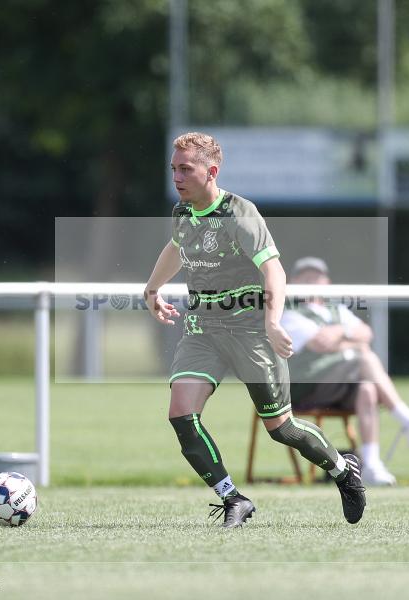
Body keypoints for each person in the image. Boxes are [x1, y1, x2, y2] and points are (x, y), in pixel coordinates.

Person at [144, 132, 366, 528]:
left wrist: (273, 321)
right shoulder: (183, 213)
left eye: (186, 169)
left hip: (249, 331)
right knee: (181, 412)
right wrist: (152, 288)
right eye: (173, 168)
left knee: (281, 428)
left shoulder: (239, 213)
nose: (176, 177)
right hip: (202, 330)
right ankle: (233, 499)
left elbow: (273, 269)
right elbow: (176, 248)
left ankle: (342, 469)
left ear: (211, 171)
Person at [281, 256, 409, 486]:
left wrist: (340, 335)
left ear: (326, 282)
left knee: (368, 389)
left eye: (317, 277)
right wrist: (349, 337)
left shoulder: (335, 309)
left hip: (338, 385)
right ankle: (407, 419)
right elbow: (321, 343)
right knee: (366, 357)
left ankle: (372, 465)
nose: (312, 281)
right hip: (306, 388)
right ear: (294, 282)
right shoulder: (288, 311)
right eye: (305, 277)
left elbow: (366, 333)